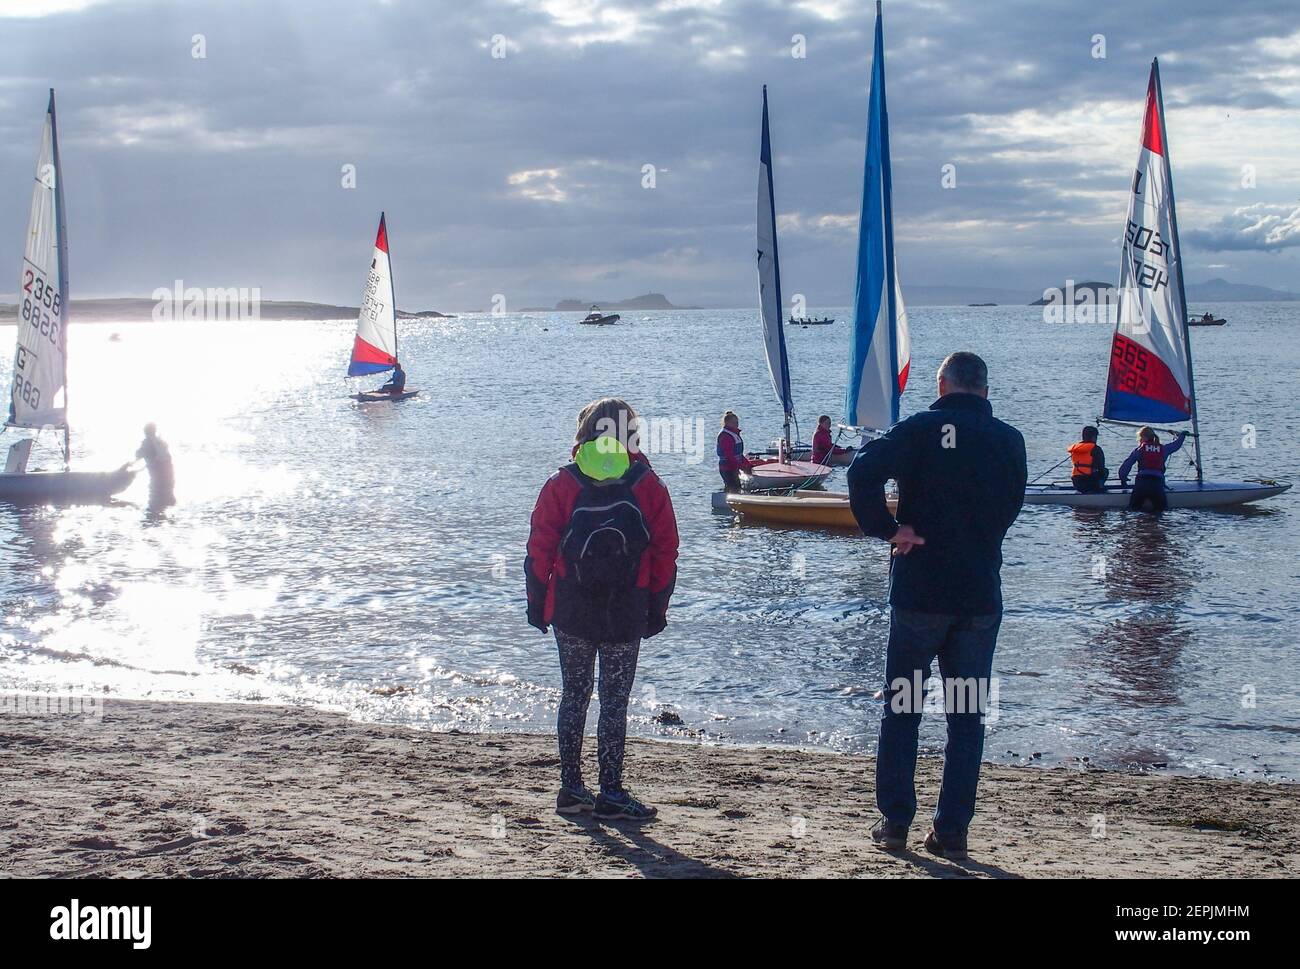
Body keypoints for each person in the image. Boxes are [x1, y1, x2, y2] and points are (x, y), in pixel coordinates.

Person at [847, 351, 1027, 861]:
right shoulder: (1008, 440)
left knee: (903, 708)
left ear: (942, 385)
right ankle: (951, 831)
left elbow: (861, 472)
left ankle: (896, 822)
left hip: (920, 594)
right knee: (967, 716)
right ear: (985, 391)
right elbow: (1012, 503)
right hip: (977, 595)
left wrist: (888, 529)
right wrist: (981, 537)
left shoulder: (921, 429)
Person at [525, 397, 679, 822]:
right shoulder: (648, 484)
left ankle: (572, 788)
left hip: (572, 607)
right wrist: (657, 608)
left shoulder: (562, 483)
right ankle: (611, 792)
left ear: (585, 431)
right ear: (631, 434)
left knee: (574, 695)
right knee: (614, 702)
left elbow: (539, 548)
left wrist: (538, 605)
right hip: (626, 607)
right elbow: (667, 551)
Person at [1117, 426, 1188, 513]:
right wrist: (1182, 436)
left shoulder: (1139, 449)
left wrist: (1123, 479)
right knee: (1161, 512)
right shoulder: (1163, 449)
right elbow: (1176, 445)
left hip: (1141, 484)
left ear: (1143, 438)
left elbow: (1127, 464)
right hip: (1157, 484)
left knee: (1133, 510)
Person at [135, 423, 175, 509]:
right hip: (168, 471)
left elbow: (138, 454)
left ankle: (157, 513)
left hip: (158, 473)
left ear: (146, 432)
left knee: (157, 499)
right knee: (168, 496)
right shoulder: (160, 441)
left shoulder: (148, 442)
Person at [716, 410, 754, 493]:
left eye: (737, 422)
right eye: (733, 422)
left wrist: (748, 465)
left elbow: (738, 454)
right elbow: (729, 456)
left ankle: (732, 497)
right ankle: (727, 501)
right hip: (727, 468)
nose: (736, 424)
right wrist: (741, 467)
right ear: (727, 423)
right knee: (733, 487)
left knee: (736, 487)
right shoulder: (725, 436)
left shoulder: (734, 434)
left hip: (734, 467)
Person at [1068, 425, 1108, 494]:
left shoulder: (1076, 449)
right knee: (1105, 471)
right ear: (1093, 437)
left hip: (1076, 483)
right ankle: (1100, 488)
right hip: (1090, 483)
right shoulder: (1096, 449)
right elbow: (1101, 468)